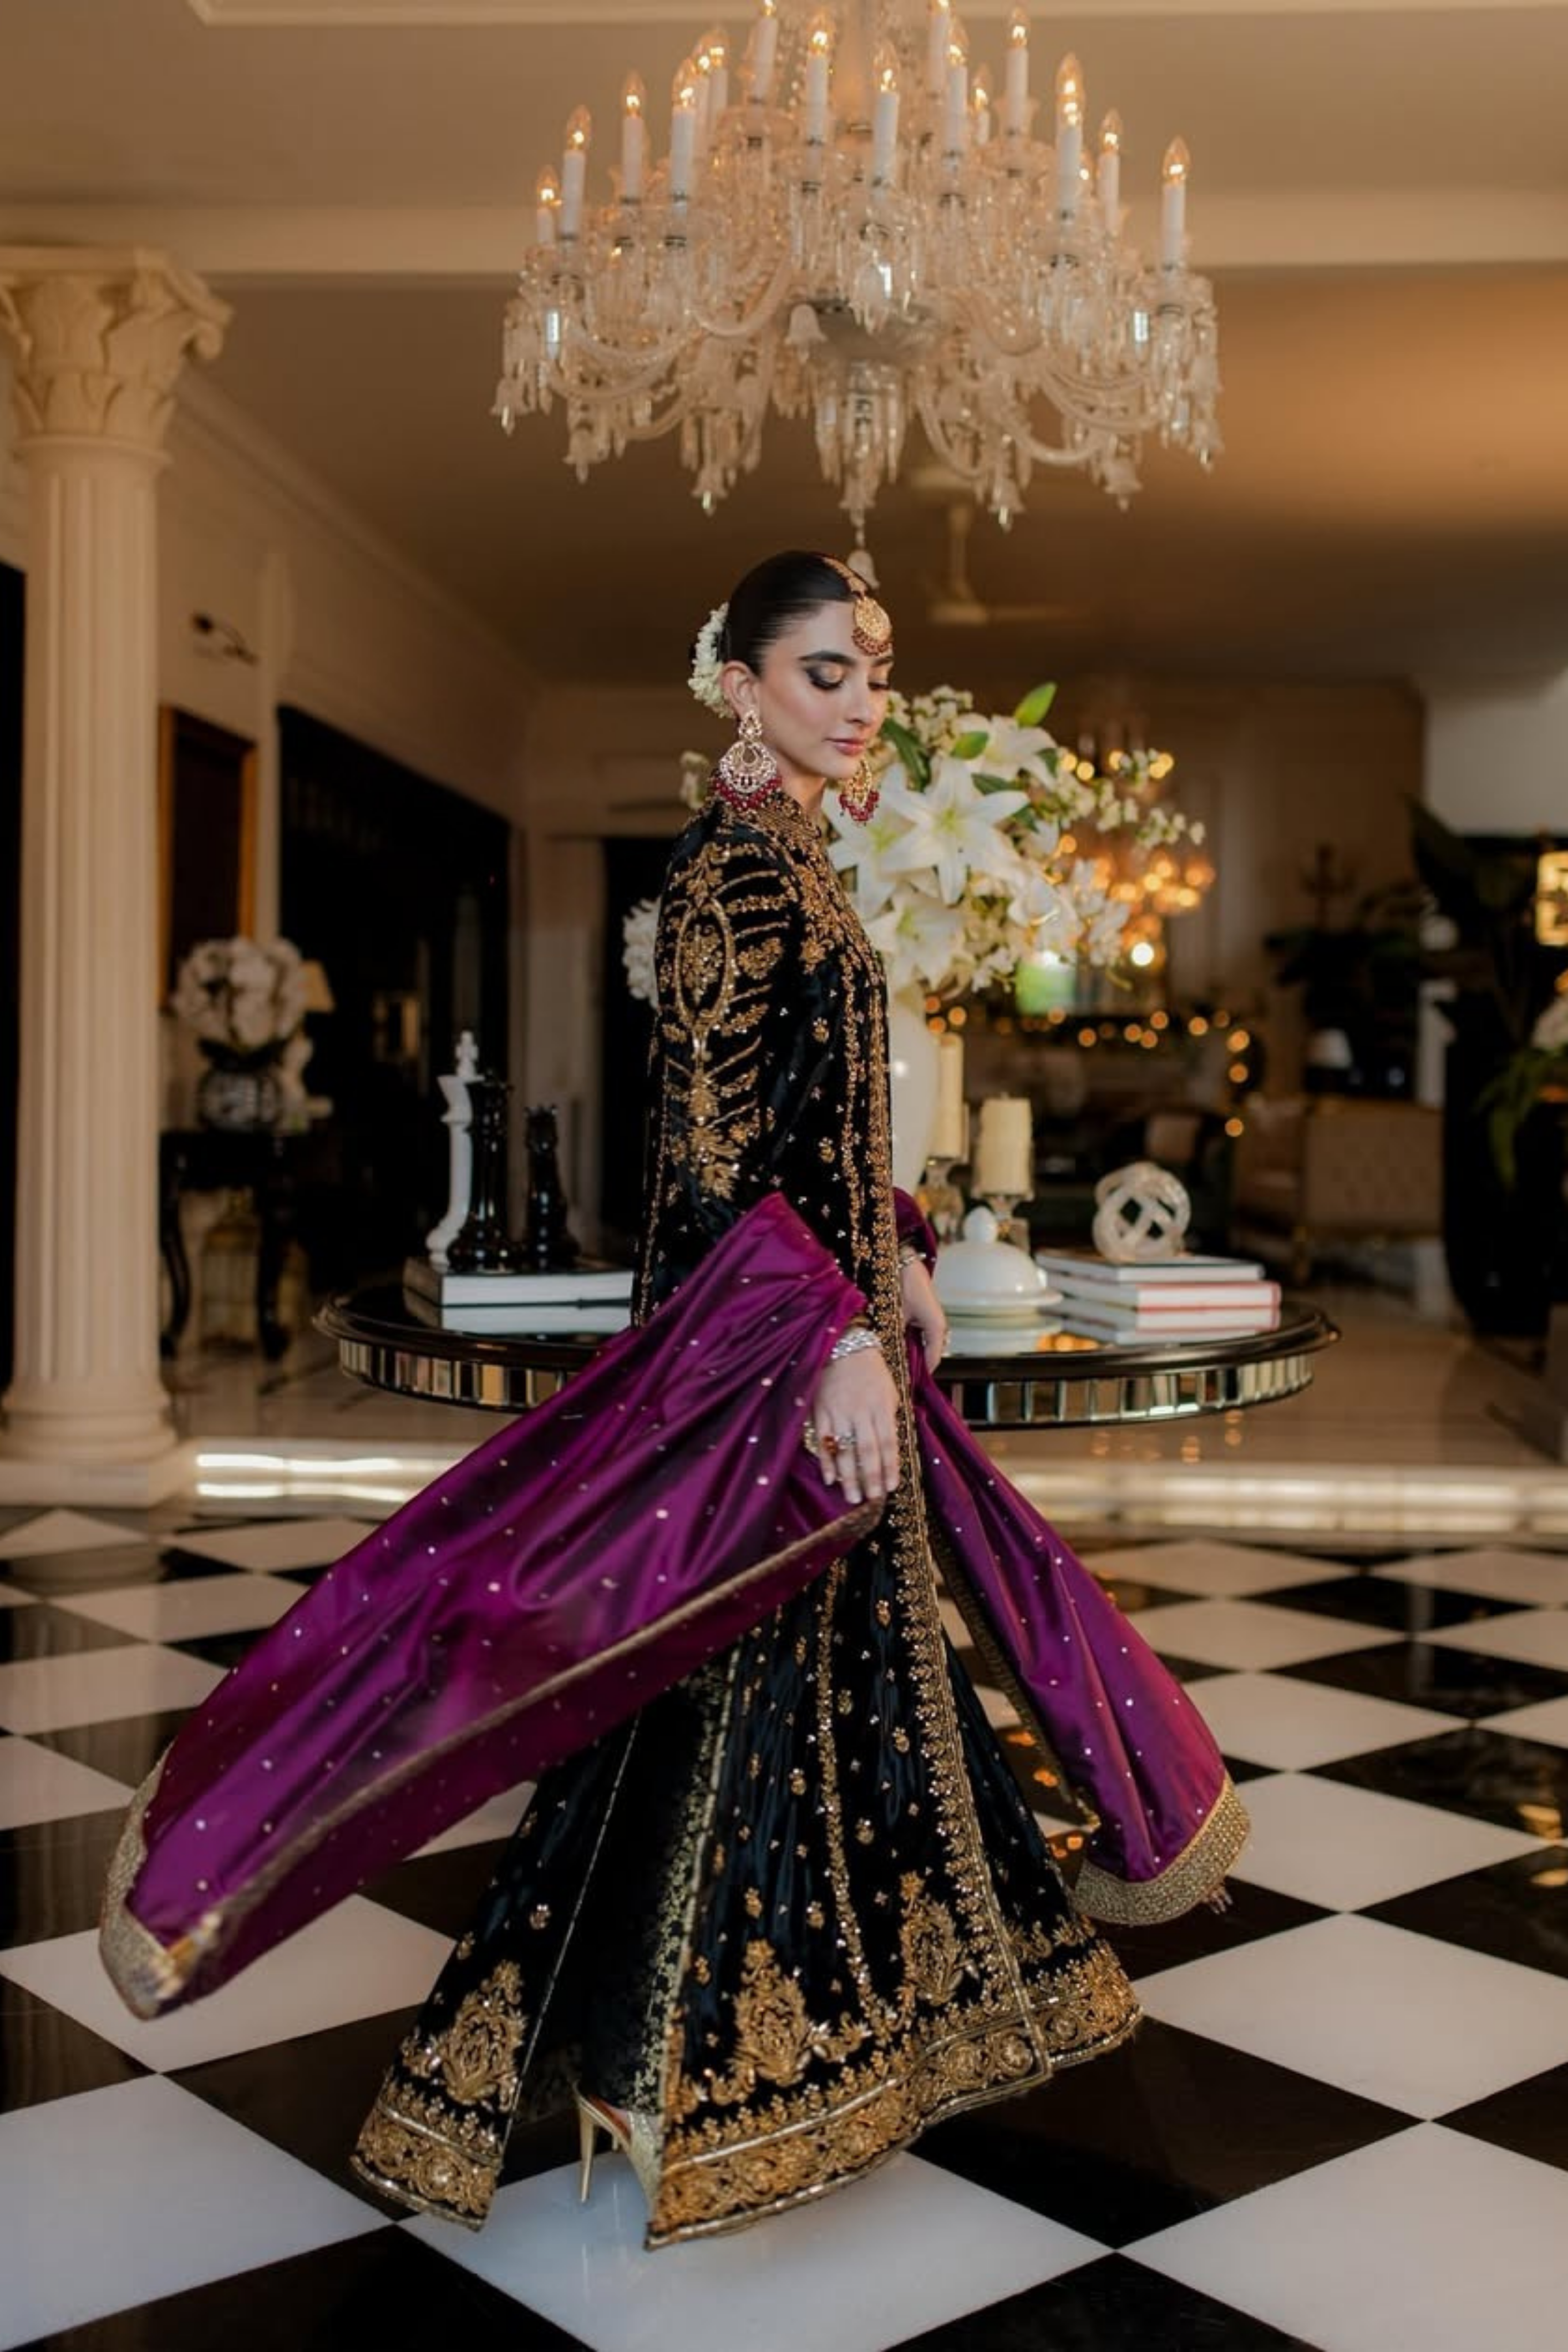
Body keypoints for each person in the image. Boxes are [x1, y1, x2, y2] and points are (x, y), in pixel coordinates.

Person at [100, 551, 1246, 2251]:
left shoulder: (807, 860)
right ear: (740, 685)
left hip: (828, 1334)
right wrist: (836, 1343)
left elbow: (815, 1130)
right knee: (710, 1695)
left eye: (870, 672)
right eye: (827, 672)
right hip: (777, 1363)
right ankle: (679, 2081)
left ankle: (831, 2049)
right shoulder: (730, 878)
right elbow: (709, 1172)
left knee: (815, 1689)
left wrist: (908, 1251)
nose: (861, 702)